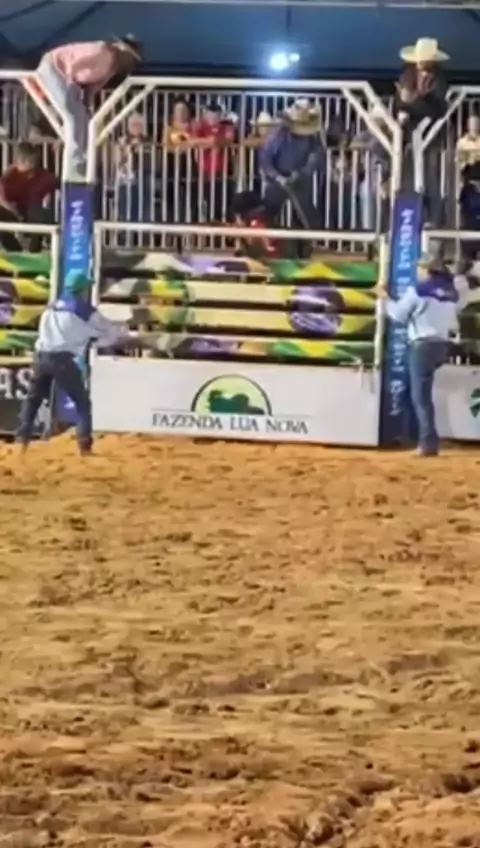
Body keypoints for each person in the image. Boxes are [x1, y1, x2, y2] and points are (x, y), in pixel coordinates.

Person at [16, 270, 131, 456]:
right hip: (62, 359)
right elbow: (107, 330)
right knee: (82, 402)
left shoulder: (51, 306)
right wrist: (121, 330)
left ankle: (22, 441)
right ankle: (84, 446)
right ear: (83, 289)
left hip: (41, 355)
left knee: (33, 399)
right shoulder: (85, 310)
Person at [378, 257, 470, 457]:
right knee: (422, 396)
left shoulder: (418, 290)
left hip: (423, 345)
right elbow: (461, 302)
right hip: (442, 345)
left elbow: (398, 316)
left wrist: (385, 298)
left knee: (421, 398)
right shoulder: (451, 292)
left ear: (427, 270)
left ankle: (427, 443)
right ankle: (421, 438)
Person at [36, 36, 142, 178]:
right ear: (122, 50)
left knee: (84, 117)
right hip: (55, 68)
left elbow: (94, 87)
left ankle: (82, 156)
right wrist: (70, 85)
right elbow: (75, 65)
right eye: (131, 58)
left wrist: (87, 104)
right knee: (71, 112)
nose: (130, 62)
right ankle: (76, 157)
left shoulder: (113, 69)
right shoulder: (100, 50)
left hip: (70, 78)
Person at [259, 99, 325, 258]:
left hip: (300, 179)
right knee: (267, 214)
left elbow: (316, 156)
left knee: (307, 216)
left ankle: (309, 249)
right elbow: (265, 159)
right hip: (277, 180)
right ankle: (264, 247)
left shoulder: (313, 137)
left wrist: (302, 173)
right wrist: (277, 177)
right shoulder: (278, 134)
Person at [394, 37, 449, 227]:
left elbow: (438, 109)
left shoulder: (439, 79)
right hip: (409, 132)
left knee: (431, 175)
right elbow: (400, 102)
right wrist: (405, 106)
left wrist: (412, 102)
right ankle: (410, 218)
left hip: (431, 132)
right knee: (408, 175)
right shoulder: (406, 75)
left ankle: (434, 219)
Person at [0, 142, 58, 252]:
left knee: (39, 211)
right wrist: (8, 206)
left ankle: (34, 250)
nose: (21, 163)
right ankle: (13, 249)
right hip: (16, 212)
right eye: (20, 160)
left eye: (27, 160)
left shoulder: (44, 177)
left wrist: (48, 197)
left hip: (35, 215)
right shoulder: (10, 176)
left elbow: (57, 184)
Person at [192, 102, 235, 222]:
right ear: (205, 115)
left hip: (221, 174)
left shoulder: (227, 126)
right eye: (210, 114)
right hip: (202, 172)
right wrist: (211, 142)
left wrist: (208, 142)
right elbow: (192, 141)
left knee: (220, 206)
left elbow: (228, 140)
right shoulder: (200, 126)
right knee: (198, 206)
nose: (213, 117)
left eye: (216, 115)